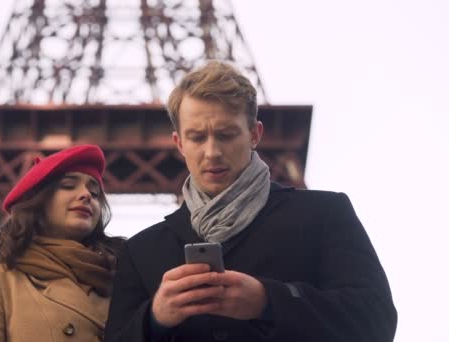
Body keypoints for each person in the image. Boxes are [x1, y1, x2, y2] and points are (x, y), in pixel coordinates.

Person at [104, 61, 397, 342]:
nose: (212, 151)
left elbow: (377, 321)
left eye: (226, 134)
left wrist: (267, 301)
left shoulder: (326, 214)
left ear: (255, 134)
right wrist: (153, 319)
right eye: (197, 137)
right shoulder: (139, 251)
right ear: (179, 143)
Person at [0, 144, 124, 342]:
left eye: (95, 193)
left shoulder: (120, 280)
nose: (86, 195)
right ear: (38, 201)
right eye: (68, 185)